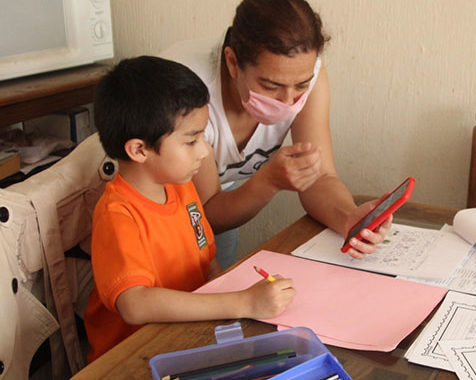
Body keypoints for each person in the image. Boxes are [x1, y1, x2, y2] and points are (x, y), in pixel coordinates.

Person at [83, 56, 296, 362]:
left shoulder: (181, 186)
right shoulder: (118, 215)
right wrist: (242, 303)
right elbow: (135, 305)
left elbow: (206, 264)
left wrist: (239, 304)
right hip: (132, 359)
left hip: (187, 339)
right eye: (192, 140)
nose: (206, 150)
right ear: (139, 150)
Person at [160, 0, 391, 268]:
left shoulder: (307, 73)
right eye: (271, 86)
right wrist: (268, 181)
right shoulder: (189, 88)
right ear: (232, 63)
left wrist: (348, 217)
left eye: (301, 85)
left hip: (219, 192)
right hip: (147, 191)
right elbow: (204, 215)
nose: (289, 100)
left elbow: (320, 177)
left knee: (216, 281)